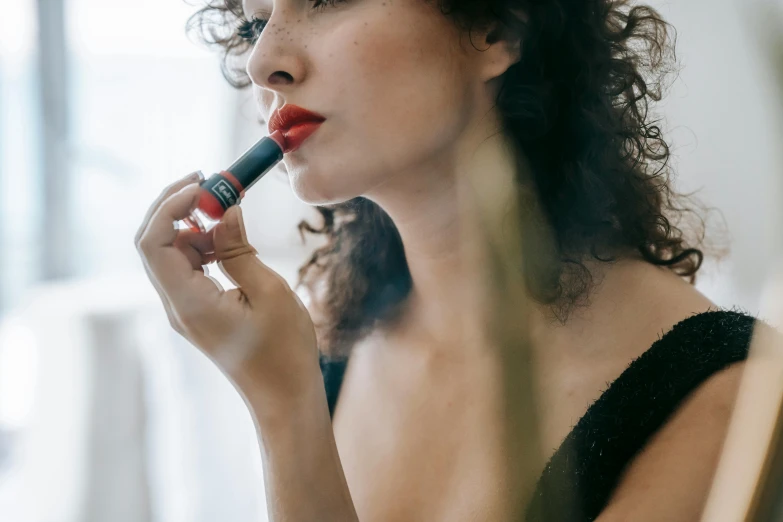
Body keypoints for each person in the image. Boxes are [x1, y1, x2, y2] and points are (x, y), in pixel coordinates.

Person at [135, 0, 767, 520]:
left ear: (495, 26)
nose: (262, 60)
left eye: (325, 1)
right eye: (254, 22)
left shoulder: (728, 397)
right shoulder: (336, 333)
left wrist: (286, 413)